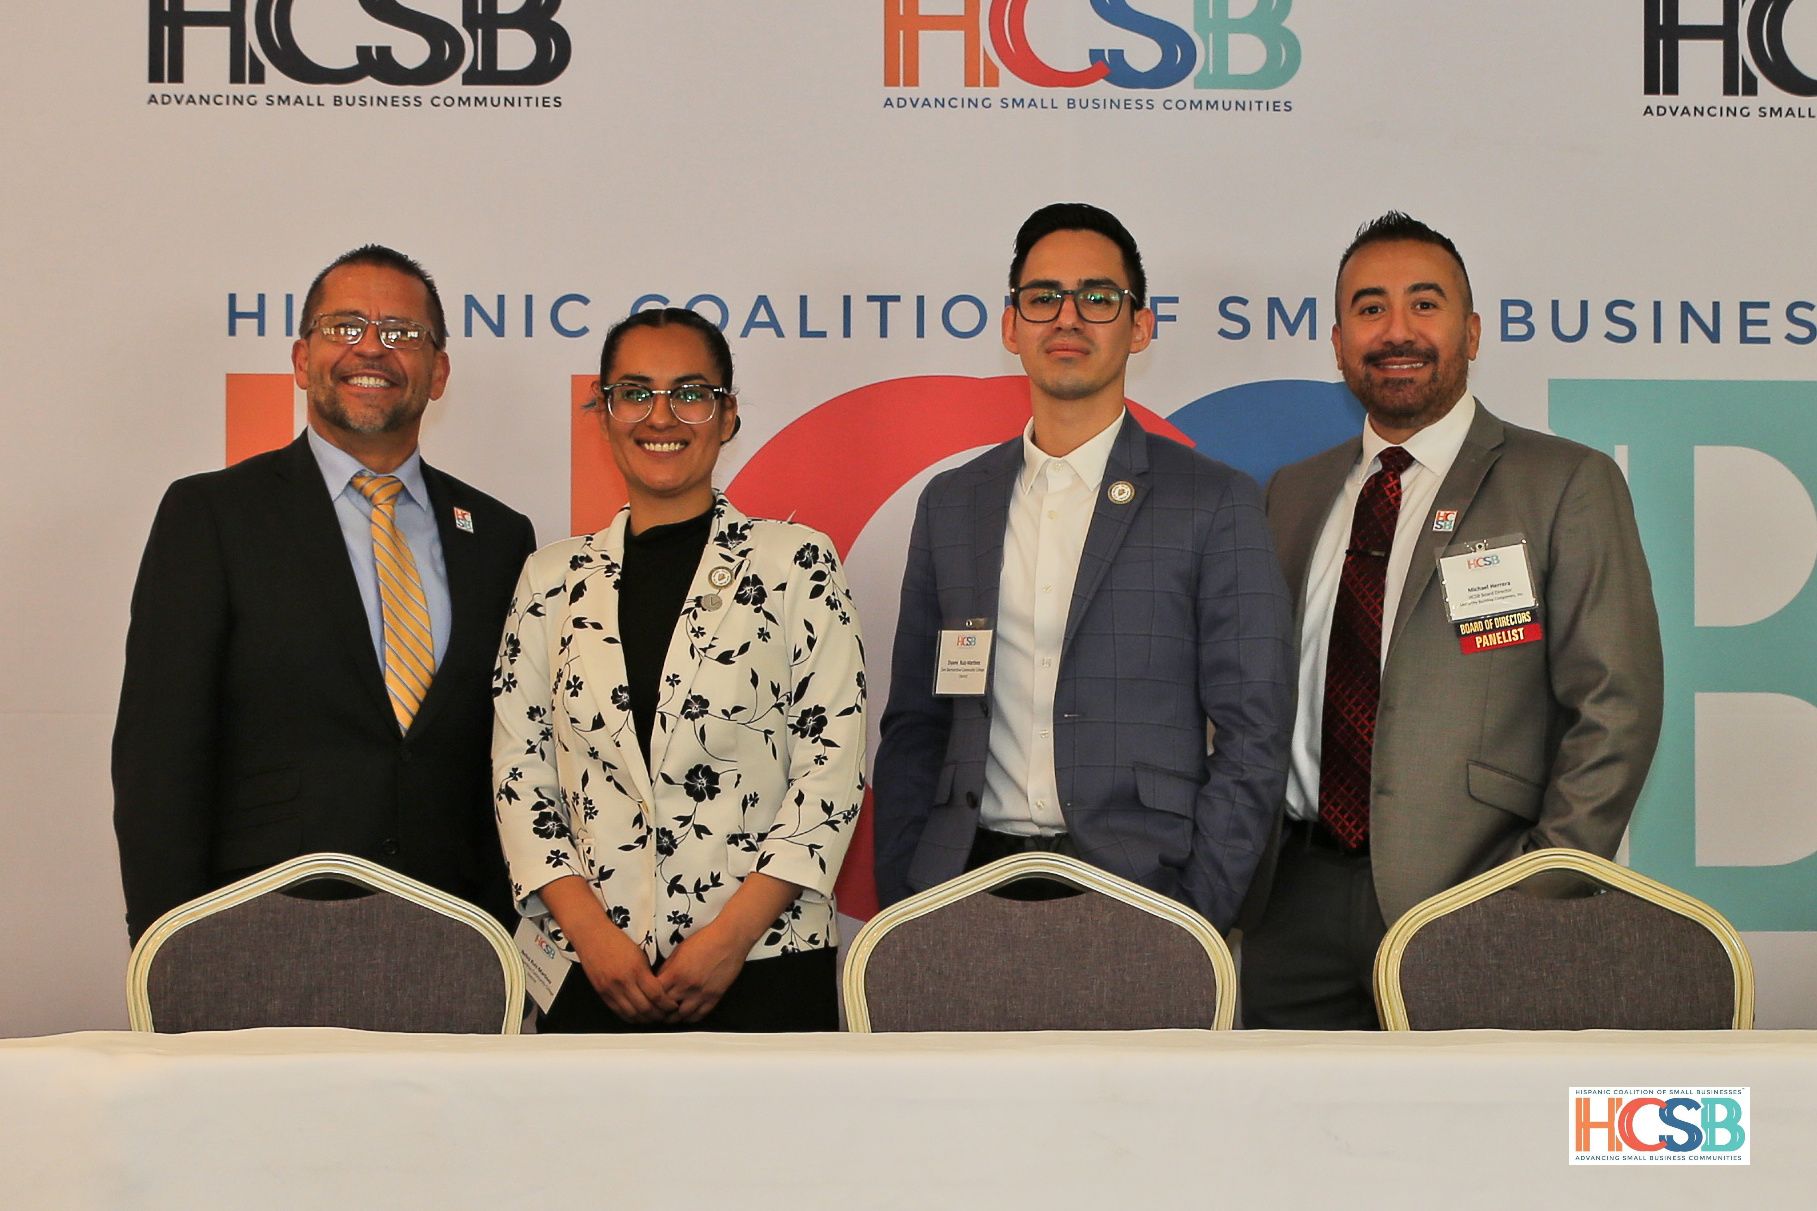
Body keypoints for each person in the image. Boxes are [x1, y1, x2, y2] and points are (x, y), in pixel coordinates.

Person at [1240, 212, 1665, 1029]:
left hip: (1476, 899)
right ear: (1337, 343)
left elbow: (1616, 704)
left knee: (1471, 1114)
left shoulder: (1562, 483)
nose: (1396, 330)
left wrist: (1536, 889)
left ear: (1470, 331)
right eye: (1369, 308)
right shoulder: (1289, 493)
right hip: (1289, 903)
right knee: (1278, 1111)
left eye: (1423, 304)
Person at [873, 202, 1295, 931]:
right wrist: (908, 896)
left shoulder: (1213, 500)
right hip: (961, 886)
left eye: (1097, 297)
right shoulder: (952, 503)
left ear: (1140, 326)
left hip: (1143, 892)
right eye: (1043, 297)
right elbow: (916, 720)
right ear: (1011, 326)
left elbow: (1255, 729)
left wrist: (1195, 912)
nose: (1067, 318)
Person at [113, 245, 536, 943]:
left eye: (402, 332)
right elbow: (160, 757)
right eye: (344, 327)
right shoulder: (212, 515)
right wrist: (170, 949)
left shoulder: (498, 536)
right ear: (302, 359)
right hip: (260, 930)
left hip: (457, 935)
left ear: (438, 372)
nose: (371, 348)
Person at [493, 308, 865, 1032]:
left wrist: (729, 940)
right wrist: (592, 937)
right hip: (593, 968)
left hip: (763, 961)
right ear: (603, 413)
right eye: (634, 393)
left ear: (727, 415)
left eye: (690, 393)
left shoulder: (795, 564)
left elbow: (830, 769)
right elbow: (520, 771)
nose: (660, 416)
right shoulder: (550, 579)